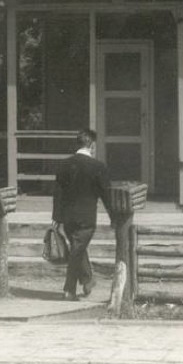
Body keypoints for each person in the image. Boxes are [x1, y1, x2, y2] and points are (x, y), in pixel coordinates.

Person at [51, 128, 113, 301]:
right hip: (86, 217)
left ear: (77, 144)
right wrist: (114, 217)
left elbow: (58, 194)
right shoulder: (98, 167)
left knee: (77, 248)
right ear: (92, 145)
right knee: (77, 250)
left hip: (68, 218)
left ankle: (87, 280)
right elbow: (106, 195)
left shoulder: (63, 165)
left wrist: (56, 217)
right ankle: (69, 289)